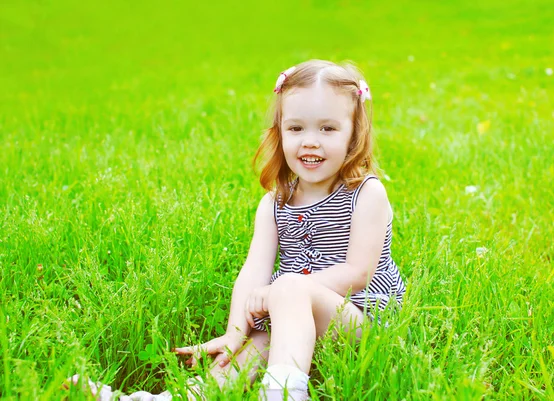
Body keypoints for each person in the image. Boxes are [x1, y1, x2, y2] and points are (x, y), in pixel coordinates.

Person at [65, 59, 406, 401]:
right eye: (296, 128)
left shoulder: (366, 193)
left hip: (359, 322)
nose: (310, 142)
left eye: (328, 129)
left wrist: (284, 290)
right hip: (293, 314)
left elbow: (358, 272)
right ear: (279, 132)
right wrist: (234, 332)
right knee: (245, 351)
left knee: (286, 290)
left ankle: (282, 394)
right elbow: (253, 272)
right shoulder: (274, 204)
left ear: (353, 135)